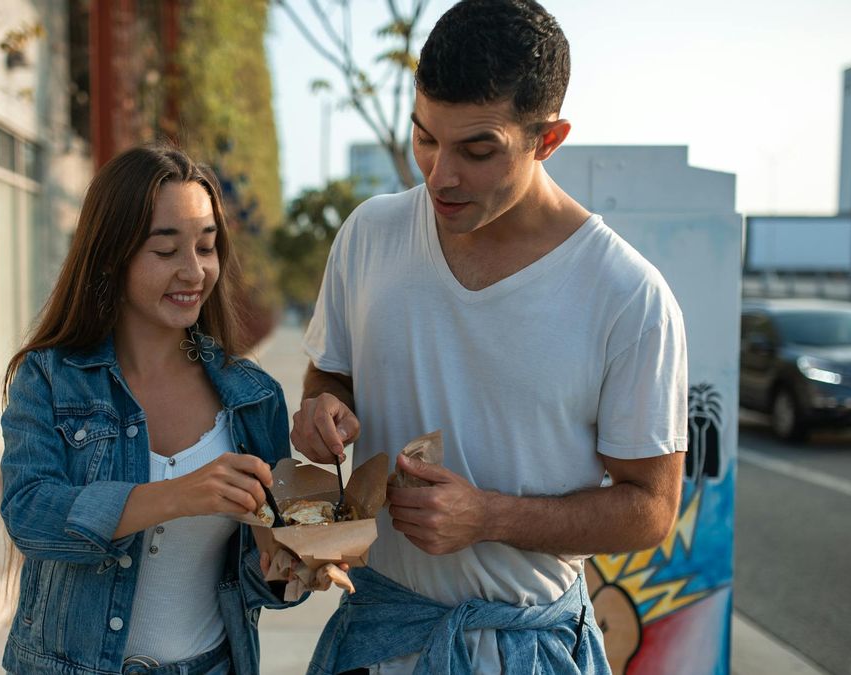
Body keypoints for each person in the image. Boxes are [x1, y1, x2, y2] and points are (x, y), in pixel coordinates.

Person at [292, 1, 689, 673]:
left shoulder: (628, 295)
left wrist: (489, 515)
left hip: (527, 648)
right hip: (377, 632)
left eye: (477, 150)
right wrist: (319, 408)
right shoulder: (369, 233)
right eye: (424, 137)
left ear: (549, 138)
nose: (439, 174)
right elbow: (331, 375)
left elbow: (649, 509)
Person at [0, 145, 296, 675]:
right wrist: (175, 495)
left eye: (206, 247)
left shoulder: (255, 398)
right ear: (112, 255)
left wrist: (290, 569)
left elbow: (260, 577)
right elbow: (29, 515)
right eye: (165, 251)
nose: (194, 271)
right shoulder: (49, 377)